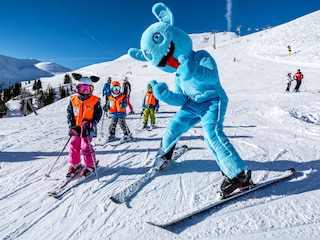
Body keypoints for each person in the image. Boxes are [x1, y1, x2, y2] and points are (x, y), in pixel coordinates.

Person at [128, 3, 252, 195]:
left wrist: (192, 69)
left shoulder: (201, 56)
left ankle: (239, 176)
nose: (169, 61)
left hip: (213, 100)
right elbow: (180, 99)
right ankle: (165, 155)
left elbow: (212, 77)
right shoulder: (177, 75)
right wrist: (164, 94)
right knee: (173, 127)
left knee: (212, 135)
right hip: (193, 103)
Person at [66, 73, 102, 177]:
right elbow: (70, 114)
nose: (86, 91)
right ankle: (75, 164)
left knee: (86, 146)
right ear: (77, 88)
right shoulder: (73, 100)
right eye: (83, 88)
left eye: (88, 88)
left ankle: (90, 165)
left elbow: (98, 115)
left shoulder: (95, 101)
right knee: (74, 145)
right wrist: (71, 126)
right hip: (76, 128)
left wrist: (91, 123)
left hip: (87, 128)